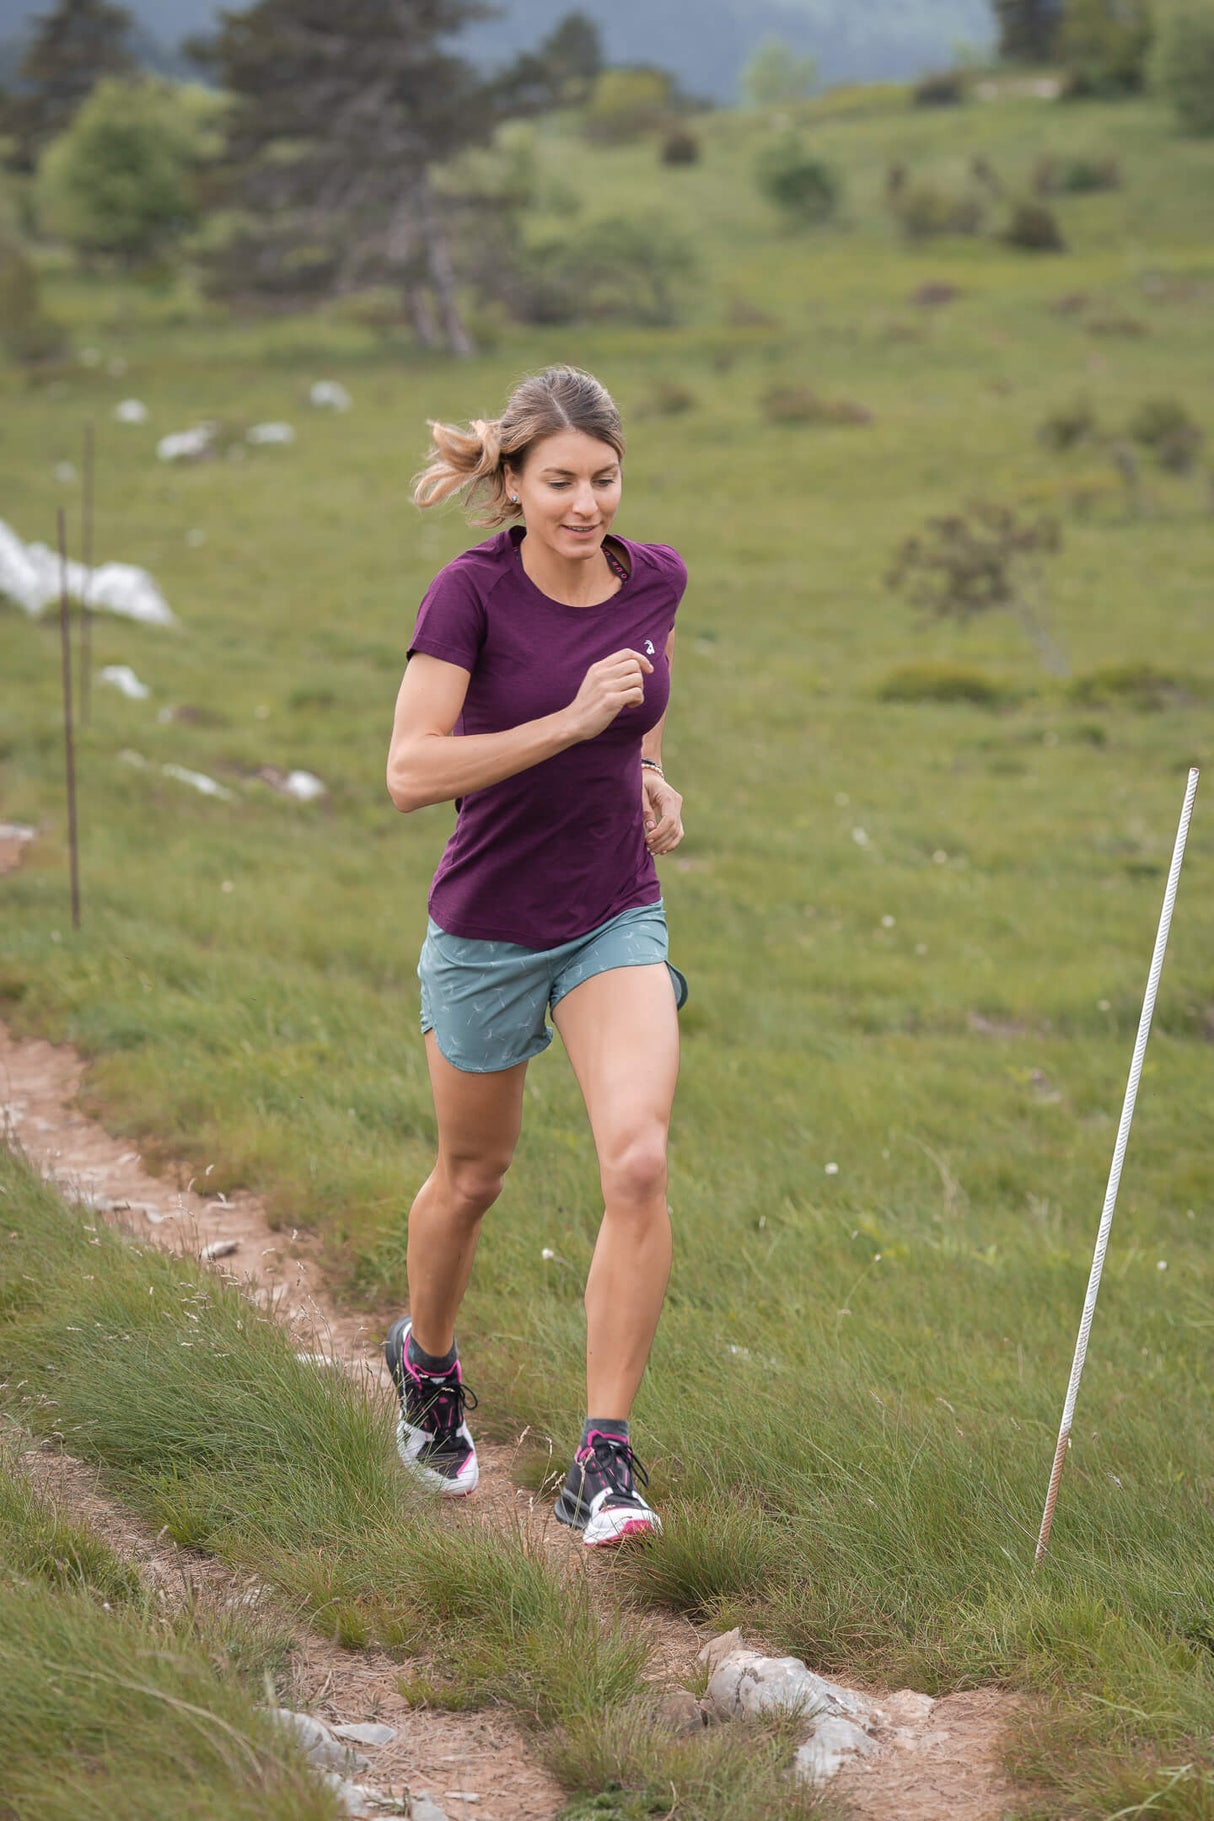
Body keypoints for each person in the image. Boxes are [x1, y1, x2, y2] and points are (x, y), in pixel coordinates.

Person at [382, 365, 688, 1547]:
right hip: (487, 931)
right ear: (510, 481)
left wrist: (650, 772)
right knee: (473, 1178)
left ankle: (601, 1460)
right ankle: (426, 1363)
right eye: (558, 481)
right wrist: (566, 722)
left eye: (603, 479)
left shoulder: (651, 576)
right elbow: (409, 774)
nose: (585, 505)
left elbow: (645, 689)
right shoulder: (468, 596)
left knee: (640, 1163)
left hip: (612, 909)